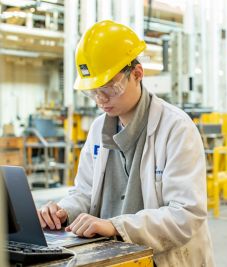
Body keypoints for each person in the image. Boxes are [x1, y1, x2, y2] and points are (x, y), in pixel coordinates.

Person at [37, 20, 215, 267]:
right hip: (112, 258)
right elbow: (85, 192)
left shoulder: (176, 128)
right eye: (93, 91)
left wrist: (115, 226)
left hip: (162, 259)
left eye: (110, 88)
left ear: (137, 74)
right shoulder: (99, 128)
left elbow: (186, 214)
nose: (101, 99)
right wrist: (63, 211)